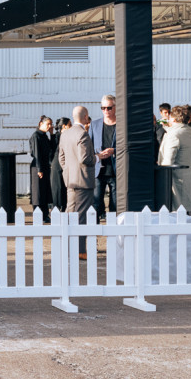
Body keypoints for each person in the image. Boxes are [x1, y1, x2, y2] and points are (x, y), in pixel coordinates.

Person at [59, 106, 95, 257]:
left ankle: (67, 247)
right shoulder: (83, 134)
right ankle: (80, 250)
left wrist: (68, 171)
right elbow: (85, 158)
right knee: (81, 216)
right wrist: (99, 157)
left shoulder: (65, 134)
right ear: (86, 117)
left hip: (70, 180)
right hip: (83, 181)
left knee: (70, 214)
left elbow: (61, 158)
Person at [157, 105, 191, 212]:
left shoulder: (174, 134)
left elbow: (168, 161)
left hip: (175, 179)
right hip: (188, 175)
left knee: (176, 212)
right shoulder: (190, 131)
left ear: (173, 118)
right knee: (188, 210)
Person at [89, 95, 118, 216]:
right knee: (96, 204)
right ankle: (94, 232)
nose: (106, 111)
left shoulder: (122, 124)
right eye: (103, 108)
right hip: (98, 170)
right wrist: (97, 155)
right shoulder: (94, 124)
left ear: (115, 107)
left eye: (109, 108)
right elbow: (88, 146)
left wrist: (114, 150)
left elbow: (128, 146)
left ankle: (116, 231)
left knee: (116, 204)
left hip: (116, 171)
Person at [29, 116, 54, 219]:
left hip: (45, 166)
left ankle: (45, 214)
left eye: (50, 124)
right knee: (38, 192)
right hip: (38, 166)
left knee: (44, 191)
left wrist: (52, 135)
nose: (49, 126)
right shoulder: (36, 136)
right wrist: (39, 169)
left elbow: (52, 148)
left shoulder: (44, 136)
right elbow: (36, 153)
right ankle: (38, 214)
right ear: (41, 124)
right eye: (47, 124)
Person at [49, 117, 71, 212]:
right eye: (70, 125)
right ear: (64, 126)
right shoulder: (57, 136)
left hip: (65, 163)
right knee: (57, 187)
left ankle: (64, 207)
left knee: (65, 186)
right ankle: (56, 207)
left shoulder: (68, 136)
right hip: (57, 164)